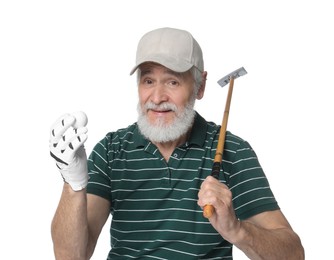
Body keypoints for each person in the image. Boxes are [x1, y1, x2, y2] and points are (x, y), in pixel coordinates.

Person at [50, 27, 304, 259]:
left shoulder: (232, 151)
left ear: (200, 86)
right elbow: (70, 256)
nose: (158, 97)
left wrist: (237, 230)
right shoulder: (111, 150)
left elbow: (293, 254)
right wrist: (73, 184)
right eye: (148, 80)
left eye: (173, 81)